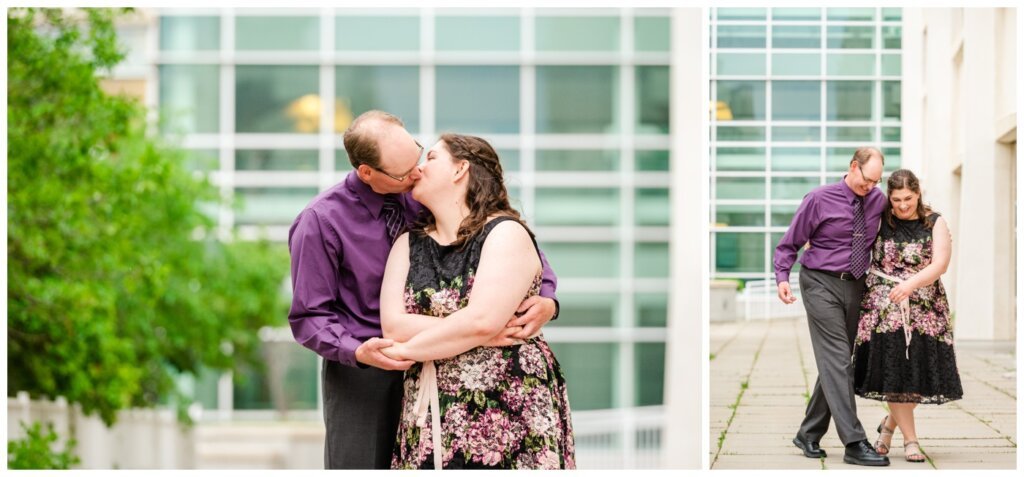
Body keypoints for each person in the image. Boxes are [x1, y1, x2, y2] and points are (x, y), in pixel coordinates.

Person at [287, 111, 561, 469]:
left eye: (418, 156)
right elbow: (309, 316)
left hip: (445, 362)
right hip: (368, 371)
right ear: (367, 172)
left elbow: (515, 246)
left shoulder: (422, 195)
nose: (416, 173)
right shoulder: (320, 222)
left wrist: (548, 299)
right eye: (403, 173)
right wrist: (357, 351)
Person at [377, 133, 575, 469]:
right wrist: (471, 333)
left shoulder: (505, 233)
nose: (418, 169)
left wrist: (407, 351)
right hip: (429, 406)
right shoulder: (407, 244)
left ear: (461, 169)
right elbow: (393, 325)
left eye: (432, 158)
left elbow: (482, 320)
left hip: (506, 405)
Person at [774, 147, 890, 466]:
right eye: (867, 180)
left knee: (837, 360)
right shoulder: (818, 199)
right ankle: (854, 442)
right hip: (819, 282)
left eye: (876, 182)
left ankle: (808, 433)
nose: (871, 187)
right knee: (839, 359)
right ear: (853, 167)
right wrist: (782, 276)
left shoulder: (878, 200)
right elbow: (790, 243)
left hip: (855, 284)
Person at [853, 169, 963, 463]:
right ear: (889, 196)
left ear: (918, 193)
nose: (902, 205)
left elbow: (940, 263)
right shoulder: (879, 220)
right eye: (897, 199)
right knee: (894, 373)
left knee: (916, 375)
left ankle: (888, 425)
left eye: (908, 198)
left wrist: (910, 284)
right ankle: (911, 440)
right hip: (884, 308)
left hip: (925, 310)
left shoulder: (934, 222)